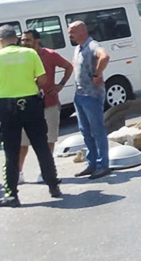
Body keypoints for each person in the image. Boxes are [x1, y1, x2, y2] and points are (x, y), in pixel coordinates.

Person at [0, 24, 62, 207]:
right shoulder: (30, 54)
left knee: (11, 151)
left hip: (7, 106)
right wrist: (29, 81)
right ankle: (53, 186)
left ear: (1, 40)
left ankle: (11, 195)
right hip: (31, 104)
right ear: (16, 38)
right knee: (42, 147)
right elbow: (43, 80)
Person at [19, 29, 73, 183]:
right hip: (27, 106)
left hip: (49, 103)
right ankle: (18, 173)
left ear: (37, 41)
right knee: (23, 142)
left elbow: (69, 67)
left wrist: (60, 85)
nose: (24, 43)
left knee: (49, 140)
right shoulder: (21, 57)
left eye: (27, 40)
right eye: (22, 40)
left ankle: (46, 172)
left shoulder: (49, 55)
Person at [68, 21, 111, 179]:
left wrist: (97, 74)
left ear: (82, 30)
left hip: (92, 96)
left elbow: (105, 57)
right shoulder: (78, 48)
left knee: (97, 130)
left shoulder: (92, 45)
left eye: (72, 31)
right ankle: (92, 164)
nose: (69, 34)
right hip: (80, 95)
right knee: (85, 131)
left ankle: (103, 165)